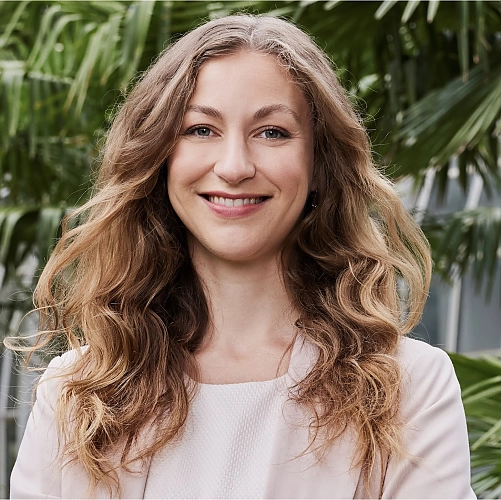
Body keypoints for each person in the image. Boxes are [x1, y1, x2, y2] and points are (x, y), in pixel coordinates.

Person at [9, 14, 475, 499]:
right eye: (201, 129)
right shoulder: (75, 395)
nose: (234, 167)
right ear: (159, 158)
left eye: (272, 132)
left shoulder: (408, 387)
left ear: (319, 163)